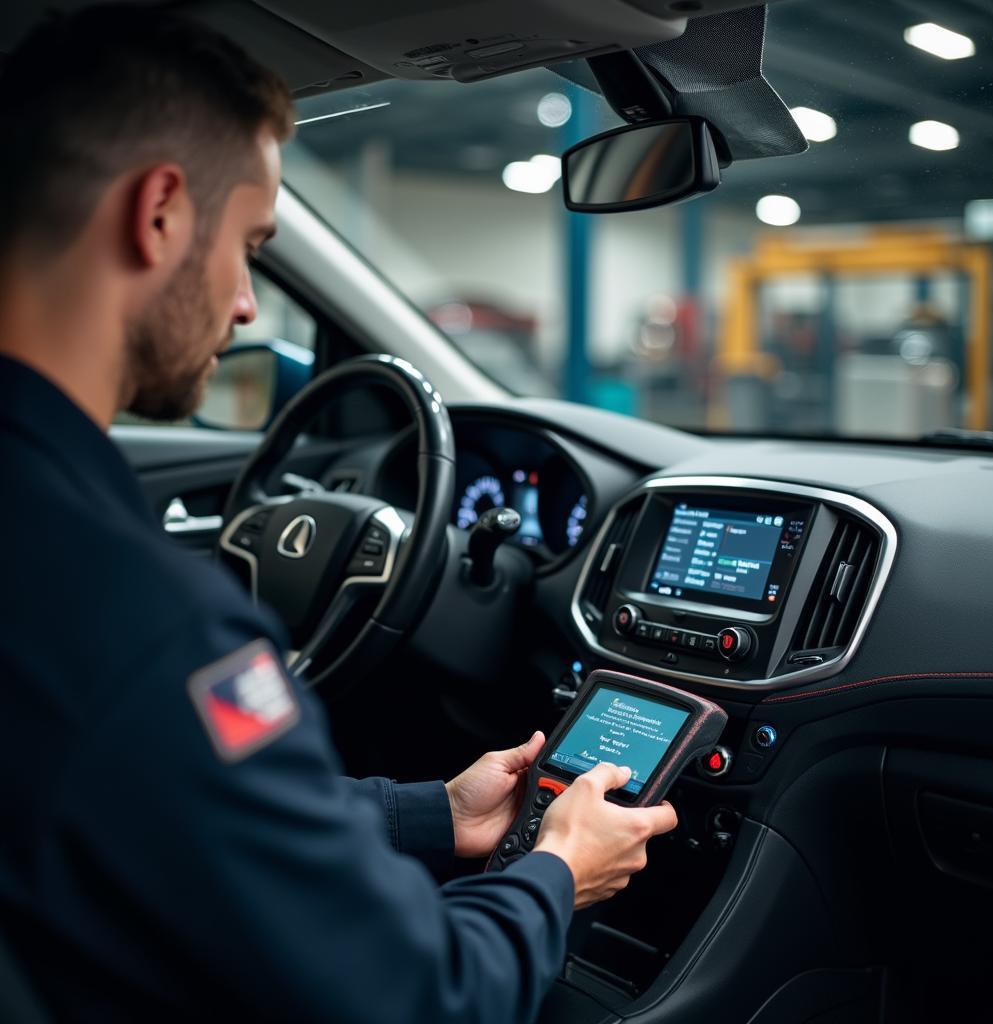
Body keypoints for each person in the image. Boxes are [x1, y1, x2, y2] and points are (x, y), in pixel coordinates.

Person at [0, 5, 678, 1022]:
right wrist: (556, 874)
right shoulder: (153, 626)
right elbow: (416, 994)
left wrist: (431, 813)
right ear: (160, 213)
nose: (242, 306)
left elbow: (173, 797)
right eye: (251, 247)